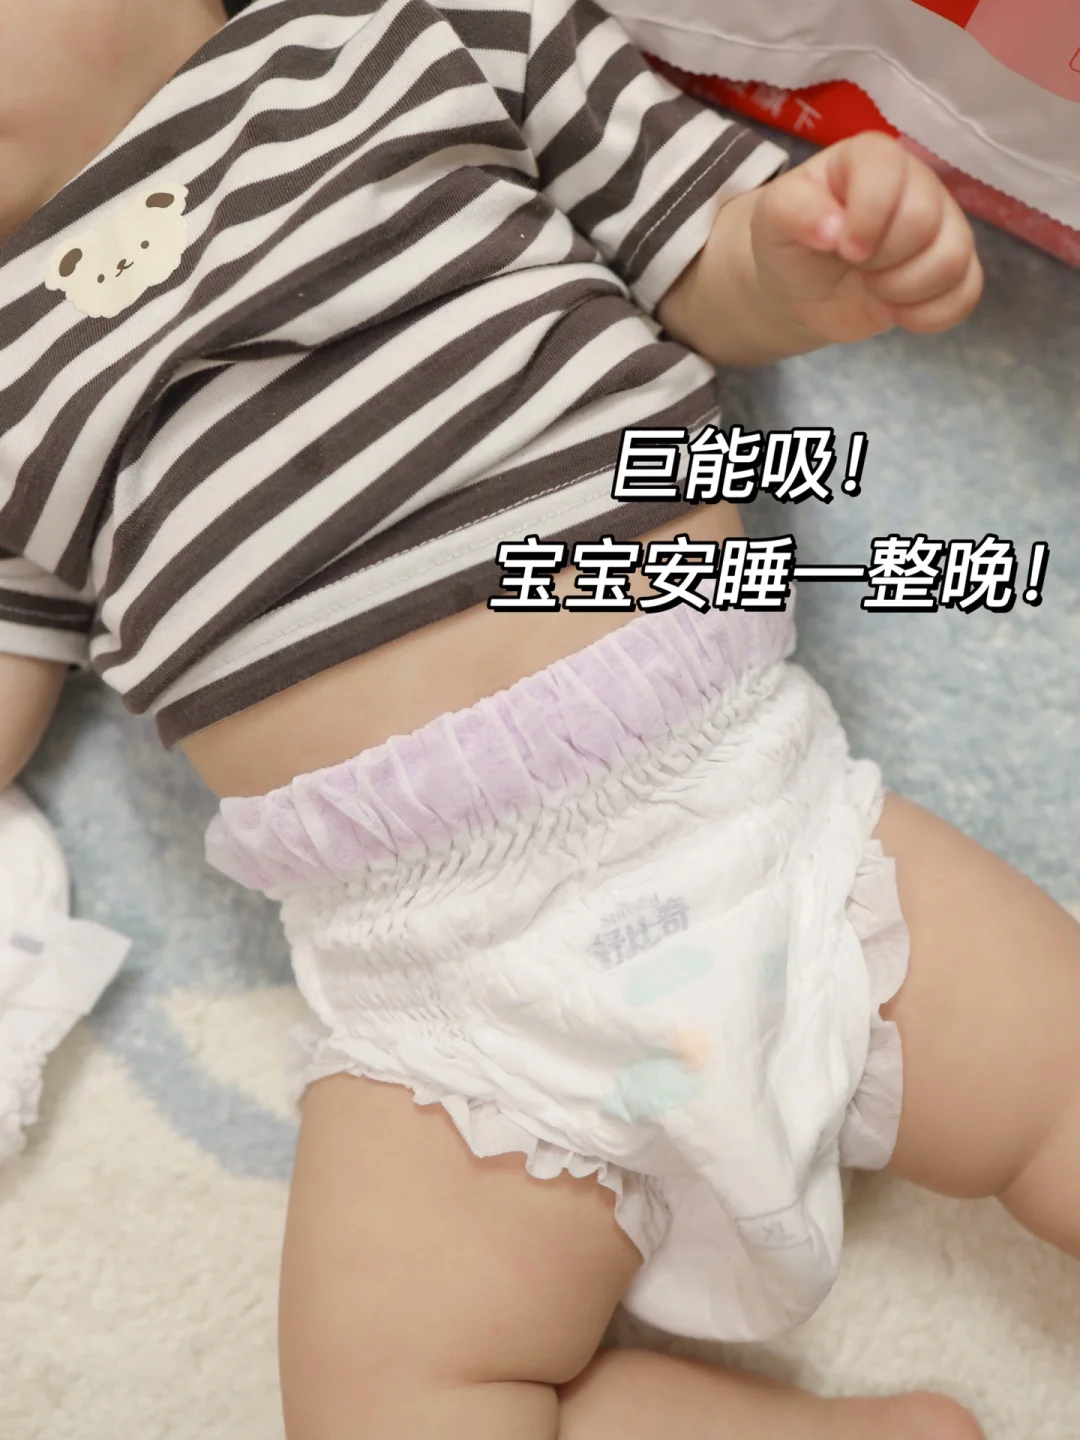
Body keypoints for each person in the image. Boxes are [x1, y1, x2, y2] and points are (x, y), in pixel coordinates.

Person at [1, 1, 1076, 1436]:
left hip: (740, 803)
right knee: (382, 1407)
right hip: (430, 986)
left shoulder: (400, 32)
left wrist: (805, 256)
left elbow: (704, 256)